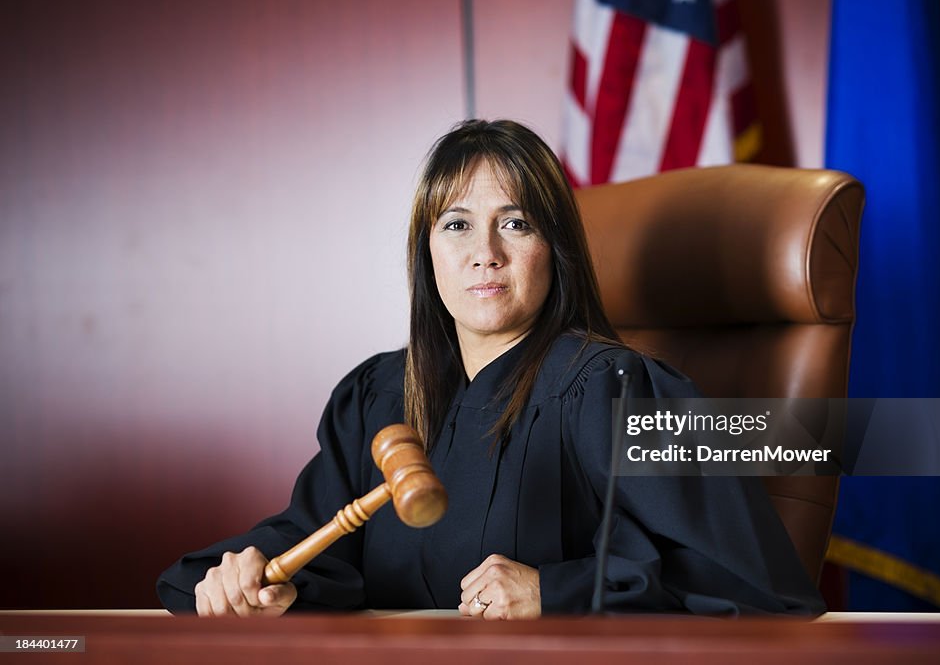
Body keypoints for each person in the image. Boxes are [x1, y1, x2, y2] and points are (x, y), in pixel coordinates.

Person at [157, 119, 825, 619]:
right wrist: (250, 580)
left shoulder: (614, 390)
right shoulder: (379, 395)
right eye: (455, 225)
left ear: (554, 248)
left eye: (516, 223)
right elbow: (313, 542)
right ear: (426, 253)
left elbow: (752, 582)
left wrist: (553, 590)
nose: (484, 253)